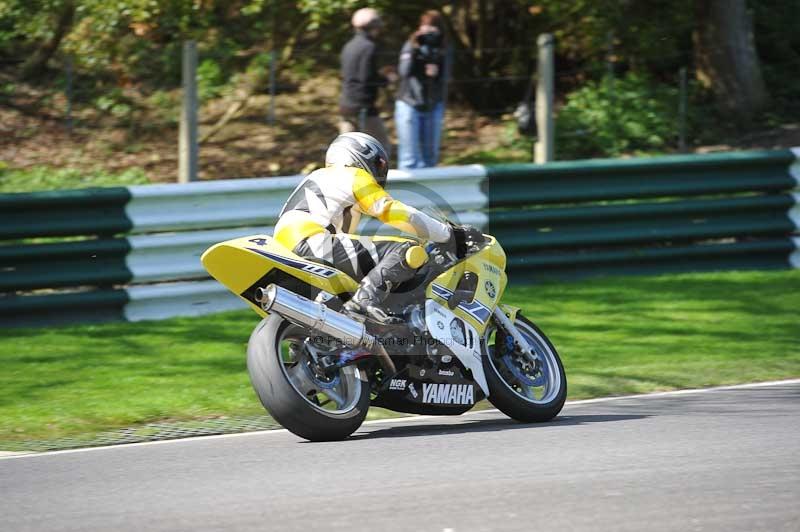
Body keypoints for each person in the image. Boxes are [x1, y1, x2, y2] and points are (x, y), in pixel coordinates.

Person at [273, 133, 454, 324]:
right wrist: (446, 233)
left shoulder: (317, 178)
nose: (379, 172)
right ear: (362, 155)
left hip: (283, 250)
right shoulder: (353, 175)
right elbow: (392, 211)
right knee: (406, 250)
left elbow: (348, 242)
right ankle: (364, 302)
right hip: (312, 241)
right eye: (379, 164)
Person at [394, 10, 449, 169]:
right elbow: (404, 72)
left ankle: (428, 193)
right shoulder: (412, 44)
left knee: (430, 158)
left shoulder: (442, 47)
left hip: (433, 104)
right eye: (426, 28)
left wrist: (436, 71)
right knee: (409, 158)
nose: (429, 33)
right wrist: (415, 48)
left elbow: (446, 78)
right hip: (409, 103)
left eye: (433, 28)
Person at [339, 8, 395, 157]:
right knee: (382, 149)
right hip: (363, 107)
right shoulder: (369, 47)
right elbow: (367, 78)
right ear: (374, 27)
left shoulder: (348, 46)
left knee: (347, 151)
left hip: (346, 105)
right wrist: (385, 80)